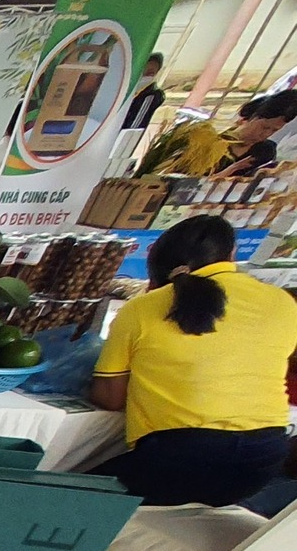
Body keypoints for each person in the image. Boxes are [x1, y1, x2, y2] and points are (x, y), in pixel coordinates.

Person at [88, 215, 297, 508]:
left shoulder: (143, 307)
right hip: (263, 457)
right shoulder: (282, 301)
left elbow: (109, 398)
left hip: (180, 457)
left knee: (69, 495)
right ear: (232, 254)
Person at [222, 91, 296, 176]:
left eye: (274, 130)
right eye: (264, 127)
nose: (266, 134)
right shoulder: (215, 144)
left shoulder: (265, 150)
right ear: (247, 119)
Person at [122, 53, 164, 131]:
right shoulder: (129, 86)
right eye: (148, 68)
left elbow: (135, 125)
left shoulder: (152, 94)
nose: (150, 70)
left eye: (152, 72)